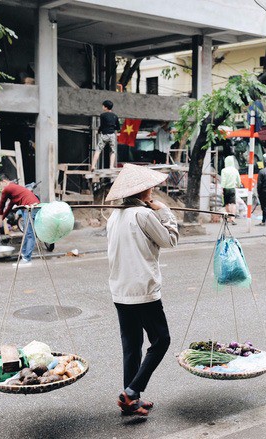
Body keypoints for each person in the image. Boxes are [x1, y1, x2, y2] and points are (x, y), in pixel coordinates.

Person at [105, 163, 179, 417]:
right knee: (161, 340)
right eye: (151, 187)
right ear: (143, 191)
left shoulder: (114, 216)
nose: (154, 190)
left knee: (132, 345)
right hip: (143, 290)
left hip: (120, 290)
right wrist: (165, 212)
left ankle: (131, 401)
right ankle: (132, 391)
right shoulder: (144, 215)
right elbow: (170, 240)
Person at [0, 175, 40, 267]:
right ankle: (24, 256)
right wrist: (2, 219)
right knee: (26, 233)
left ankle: (27, 259)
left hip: (30, 207)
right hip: (28, 207)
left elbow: (1, 205)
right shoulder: (14, 189)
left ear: (4, 181)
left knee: (29, 233)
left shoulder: (7, 188)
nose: (0, 188)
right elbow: (8, 208)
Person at [91, 100, 121, 171]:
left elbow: (102, 126)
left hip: (104, 135)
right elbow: (118, 127)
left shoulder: (102, 115)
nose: (102, 107)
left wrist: (98, 132)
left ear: (106, 107)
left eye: (103, 106)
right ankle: (111, 166)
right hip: (112, 135)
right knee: (113, 151)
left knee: (98, 150)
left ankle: (93, 166)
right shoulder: (115, 116)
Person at [221, 156, 241, 225]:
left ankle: (228, 217)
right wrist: (238, 185)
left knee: (227, 204)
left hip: (226, 189)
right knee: (233, 204)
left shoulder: (224, 170)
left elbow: (223, 180)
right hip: (232, 189)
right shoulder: (235, 170)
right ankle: (232, 218)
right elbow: (238, 180)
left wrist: (222, 188)